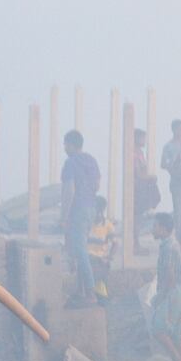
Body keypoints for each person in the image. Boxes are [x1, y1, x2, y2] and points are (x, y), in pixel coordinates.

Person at [61, 130, 101, 308]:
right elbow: (97, 185)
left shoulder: (70, 163)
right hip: (91, 208)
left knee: (80, 250)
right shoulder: (91, 160)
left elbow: (69, 190)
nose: (64, 148)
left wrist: (64, 216)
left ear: (71, 144)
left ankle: (91, 292)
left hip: (77, 209)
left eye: (65, 144)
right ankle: (80, 290)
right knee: (79, 249)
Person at [151, 212, 181, 361]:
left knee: (159, 330)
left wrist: (162, 295)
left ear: (163, 228)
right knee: (176, 331)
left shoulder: (168, 246)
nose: (152, 230)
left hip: (174, 290)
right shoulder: (172, 244)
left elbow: (170, 274)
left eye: (155, 226)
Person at [134, 128, 161, 253]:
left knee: (139, 217)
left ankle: (136, 243)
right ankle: (134, 244)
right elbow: (138, 173)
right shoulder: (134, 153)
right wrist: (151, 177)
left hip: (142, 187)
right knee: (136, 217)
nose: (144, 140)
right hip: (138, 188)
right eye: (142, 138)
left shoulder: (140, 152)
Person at [87, 196, 117, 302]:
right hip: (87, 260)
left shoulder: (108, 225)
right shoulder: (86, 224)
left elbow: (115, 244)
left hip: (100, 260)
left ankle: (98, 297)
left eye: (99, 209)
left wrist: (109, 257)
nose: (97, 213)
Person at [161, 119, 181, 232]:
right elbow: (163, 164)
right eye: (180, 129)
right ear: (174, 130)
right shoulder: (168, 146)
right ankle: (179, 232)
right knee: (178, 208)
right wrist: (172, 168)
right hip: (176, 181)